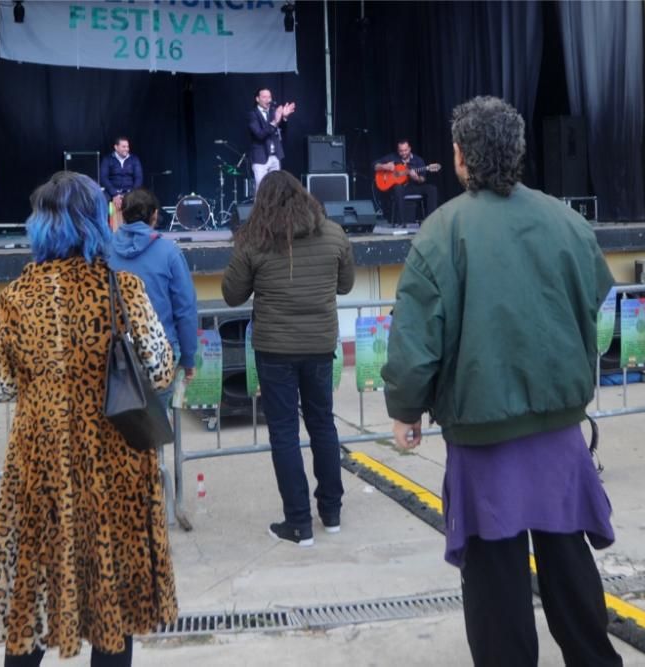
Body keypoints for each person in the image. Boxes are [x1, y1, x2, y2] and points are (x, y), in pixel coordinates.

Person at [381, 96, 622, 667]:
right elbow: (595, 295)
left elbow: (416, 340)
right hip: (559, 430)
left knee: (494, 579)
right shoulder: (566, 221)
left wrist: (405, 409)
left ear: (460, 157)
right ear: (517, 151)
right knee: (569, 562)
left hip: (484, 437)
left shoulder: (441, 232)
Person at [0, 172, 178, 666]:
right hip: (115, 463)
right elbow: (159, 370)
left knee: (31, 597)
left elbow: (0, 385)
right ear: (96, 222)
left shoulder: (15, 298)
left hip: (41, 465)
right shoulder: (124, 289)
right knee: (111, 604)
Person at [221, 170, 355, 546]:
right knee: (322, 425)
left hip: (275, 348)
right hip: (319, 344)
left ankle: (298, 523)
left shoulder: (254, 240)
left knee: (284, 432)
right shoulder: (333, 233)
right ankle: (331, 513)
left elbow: (232, 294)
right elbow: (345, 285)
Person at [108, 188, 198, 403]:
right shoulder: (169, 252)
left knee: (119, 430)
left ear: (123, 214)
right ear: (155, 215)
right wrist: (188, 357)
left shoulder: (103, 250)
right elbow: (185, 309)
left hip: (113, 354)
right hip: (159, 354)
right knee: (157, 429)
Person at [373, 139, 439, 225]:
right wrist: (385, 166)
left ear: (410, 149)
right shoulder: (392, 157)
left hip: (413, 187)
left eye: (405, 150)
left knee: (432, 189)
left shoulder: (418, 160)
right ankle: (402, 222)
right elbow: (374, 165)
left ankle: (432, 221)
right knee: (398, 188)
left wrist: (416, 178)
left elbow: (422, 179)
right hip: (398, 189)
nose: (403, 153)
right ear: (398, 150)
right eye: (401, 151)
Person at [248, 88, 295, 190]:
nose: (268, 100)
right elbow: (259, 135)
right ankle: (260, 206)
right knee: (261, 190)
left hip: (275, 156)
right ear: (257, 99)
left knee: (276, 190)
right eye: (264, 97)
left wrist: (284, 118)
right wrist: (274, 122)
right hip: (260, 158)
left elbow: (283, 132)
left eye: (269, 97)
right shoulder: (252, 114)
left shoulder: (274, 112)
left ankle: (275, 206)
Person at [100, 136, 144, 207]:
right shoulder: (107, 159)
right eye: (123, 147)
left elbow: (139, 178)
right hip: (111, 191)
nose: (126, 149)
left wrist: (131, 194)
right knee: (102, 200)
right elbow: (103, 178)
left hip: (130, 191)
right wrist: (114, 194)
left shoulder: (134, 159)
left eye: (127, 147)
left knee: (142, 200)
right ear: (116, 147)